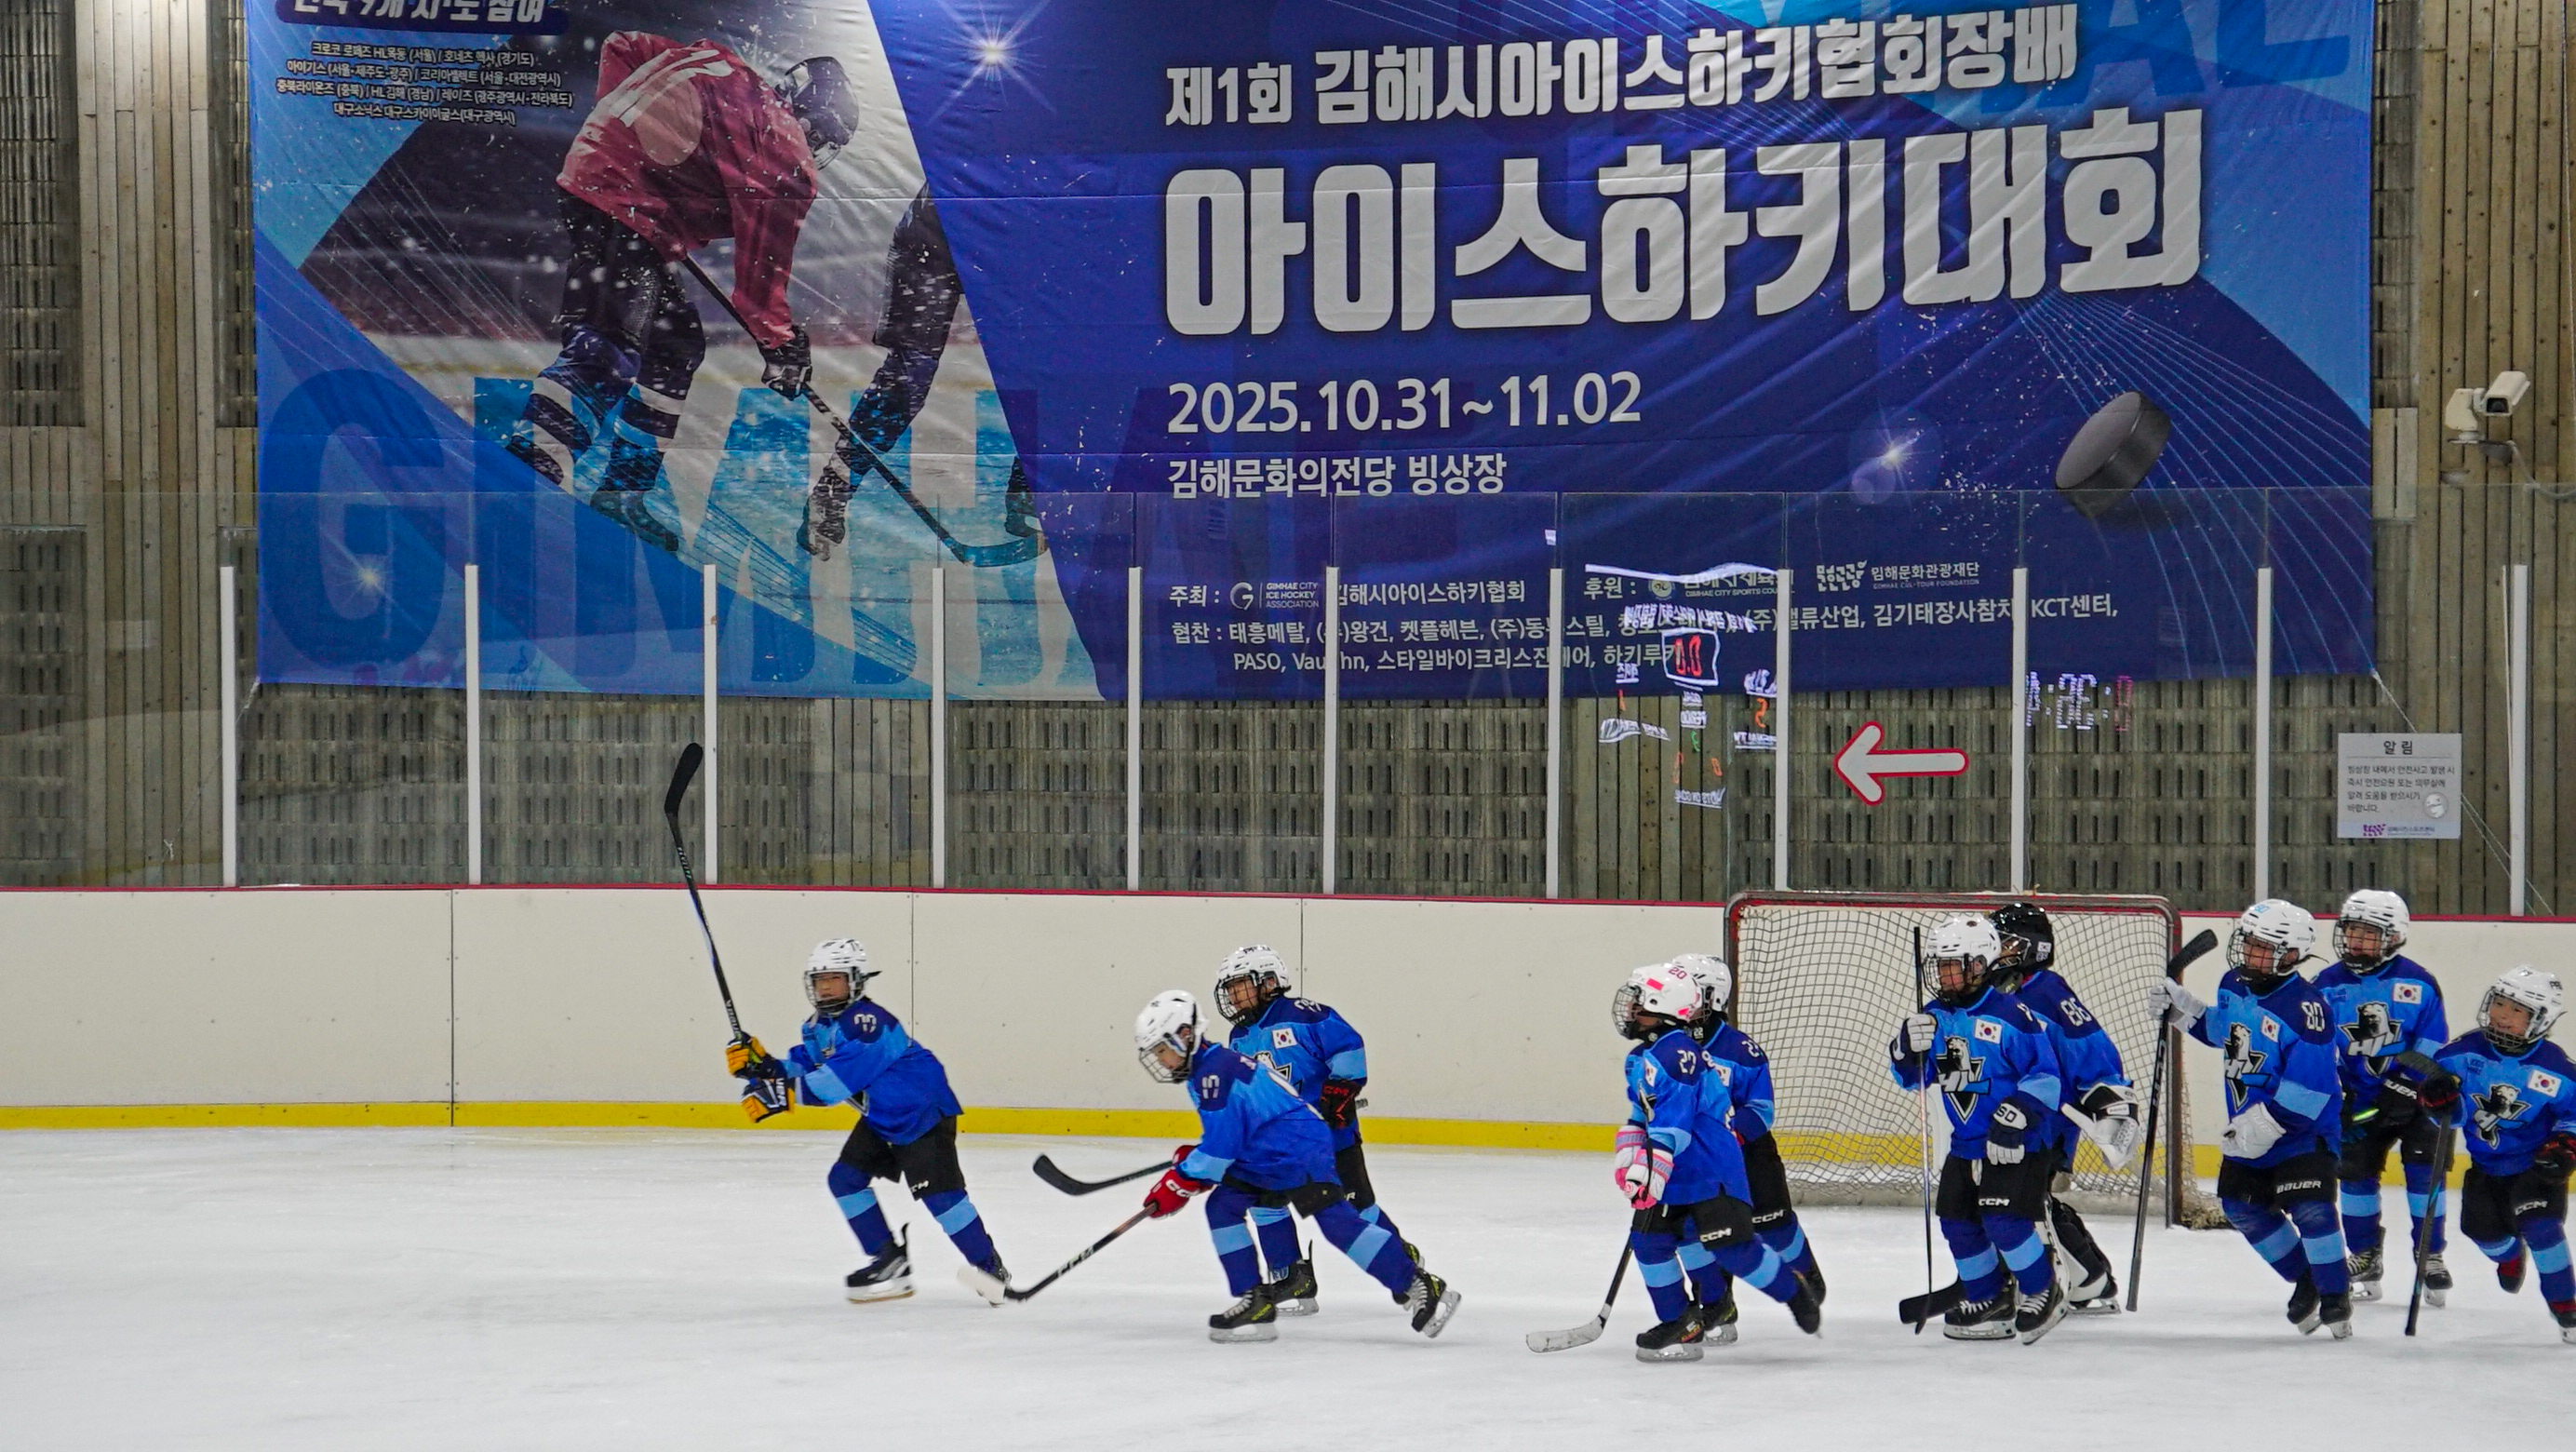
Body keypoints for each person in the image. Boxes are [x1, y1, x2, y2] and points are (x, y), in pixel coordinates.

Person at [506, 34, 857, 552]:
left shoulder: (722, 62)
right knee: (607, 348)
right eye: (824, 139)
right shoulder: (785, 148)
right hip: (622, 203)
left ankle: (622, 495)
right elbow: (761, 272)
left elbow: (622, 45)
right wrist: (782, 346)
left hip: (612, 192)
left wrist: (627, 132)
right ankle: (519, 483)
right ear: (810, 121)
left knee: (676, 344)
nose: (817, 153)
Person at [1132, 989, 1458, 1343]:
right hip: (1268, 1152)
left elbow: (1219, 1153)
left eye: (1162, 1050)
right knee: (1223, 1207)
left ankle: (1418, 1283)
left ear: (1184, 1035)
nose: (1162, 1061)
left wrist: (1177, 1182)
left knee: (1337, 1223)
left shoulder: (1214, 1075)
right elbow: (1228, 1137)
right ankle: (1255, 1301)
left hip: (1296, 1149)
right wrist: (1193, 1163)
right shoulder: (1209, 1068)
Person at [730, 938, 1004, 1301]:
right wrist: (763, 1067)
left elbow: (831, 1086)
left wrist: (779, 1094)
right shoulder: (818, 1026)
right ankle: (890, 1261)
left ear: (856, 980)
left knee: (942, 1199)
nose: (825, 986)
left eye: (834, 978)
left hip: (921, 1115)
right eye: (819, 979)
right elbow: (805, 1065)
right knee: (845, 1180)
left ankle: (990, 1269)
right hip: (882, 1118)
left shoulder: (869, 1024)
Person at [2149, 900, 2353, 1337]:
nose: (2250, 955)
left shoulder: (2307, 1010)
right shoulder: (2233, 984)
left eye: (2263, 948)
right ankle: (2307, 1279)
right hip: (2248, 1130)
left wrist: (2268, 1124)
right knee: (2242, 1208)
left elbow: (2313, 1090)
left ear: (2292, 954)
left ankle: (2336, 1294)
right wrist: (2184, 1012)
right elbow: (2227, 1034)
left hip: (2303, 1134)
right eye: (2249, 943)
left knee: (2312, 1210)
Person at [1616, 961, 1824, 1362]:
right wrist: (1630, 1155)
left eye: (1639, 1005)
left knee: (1732, 1248)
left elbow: (1673, 1128)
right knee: (1648, 1241)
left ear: (1662, 1009)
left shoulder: (1678, 1055)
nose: (1630, 1012)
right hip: (1677, 1170)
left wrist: (1650, 1172)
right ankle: (1681, 1321)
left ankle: (1793, 1292)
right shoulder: (1642, 1057)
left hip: (1712, 1170)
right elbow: (1643, 1115)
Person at [1888, 915, 2070, 1344]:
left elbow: (2046, 1078)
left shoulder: (2013, 1015)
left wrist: (2018, 1115)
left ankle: (2043, 1287)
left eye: (1956, 964)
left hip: (2018, 1143)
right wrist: (1903, 1048)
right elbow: (1912, 1078)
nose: (1945, 974)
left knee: (2004, 1220)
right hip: (1968, 1144)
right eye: (1940, 965)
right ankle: (1990, 1295)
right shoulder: (1932, 1018)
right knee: (1955, 1219)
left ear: (1983, 964)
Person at [1213, 945, 1412, 1316]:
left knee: (1356, 1209)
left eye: (1240, 986)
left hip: (1331, 1137)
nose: (1233, 996)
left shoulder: (1303, 1015)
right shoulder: (1239, 1036)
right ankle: (1292, 1275)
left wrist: (1340, 1088)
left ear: (1269, 982)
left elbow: (1348, 1046)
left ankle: (1402, 1262)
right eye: (1232, 988)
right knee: (1262, 1203)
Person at [1668, 952, 1826, 1344]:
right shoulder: (1670, 1048)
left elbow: (1761, 1109)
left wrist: (1728, 1133)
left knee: (1773, 1225)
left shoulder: (1741, 1051)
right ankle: (1718, 1302)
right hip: (1701, 1162)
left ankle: (1808, 1277)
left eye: (1693, 992)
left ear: (1713, 997)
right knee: (1704, 1231)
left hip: (1750, 1156)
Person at [1988, 902, 2139, 1313]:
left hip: (2047, 1123)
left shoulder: (2046, 992)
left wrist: (2111, 1102)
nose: (1996, 950)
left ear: (2032, 948)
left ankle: (2087, 1278)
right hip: (2015, 1119)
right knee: (2025, 1200)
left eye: (2006, 943)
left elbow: (2092, 1052)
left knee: (2025, 1200)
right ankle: (2090, 1275)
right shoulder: (2006, 993)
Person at [2311, 889, 2451, 1302]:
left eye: (2367, 934)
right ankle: (2365, 1253)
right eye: (2351, 931)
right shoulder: (2326, 985)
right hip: (2361, 1102)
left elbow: (2432, 1043)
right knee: (2354, 1175)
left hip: (2419, 1099)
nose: (2355, 940)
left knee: (2426, 1176)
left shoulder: (2419, 983)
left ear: (2393, 937)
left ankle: (2431, 1255)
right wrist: (2341, 1098)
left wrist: (2406, 1085)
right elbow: (2318, 1049)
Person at [2431, 966, 2576, 1342]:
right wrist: (2436, 1100)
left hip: (2536, 1168)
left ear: (2539, 1019)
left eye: (2514, 1010)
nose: (2500, 1015)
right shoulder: (2460, 1055)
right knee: (2481, 1232)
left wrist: (2564, 1146)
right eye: (2498, 1003)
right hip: (2485, 1167)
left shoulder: (2557, 1069)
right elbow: (2449, 1111)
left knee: (2543, 1228)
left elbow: (2572, 1116)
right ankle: (2510, 1255)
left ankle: (2566, 1306)